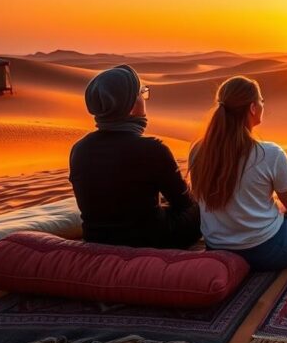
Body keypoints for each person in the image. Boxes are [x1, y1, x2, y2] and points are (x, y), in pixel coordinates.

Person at [188, 75, 287, 271]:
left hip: (218, 249)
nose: (263, 104)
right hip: (270, 252)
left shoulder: (197, 151)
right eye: (262, 100)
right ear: (253, 108)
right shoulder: (269, 153)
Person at [69, 65, 201, 248]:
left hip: (96, 237)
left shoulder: (79, 149)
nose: (145, 98)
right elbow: (184, 202)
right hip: (150, 239)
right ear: (130, 106)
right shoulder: (152, 149)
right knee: (200, 208)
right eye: (142, 93)